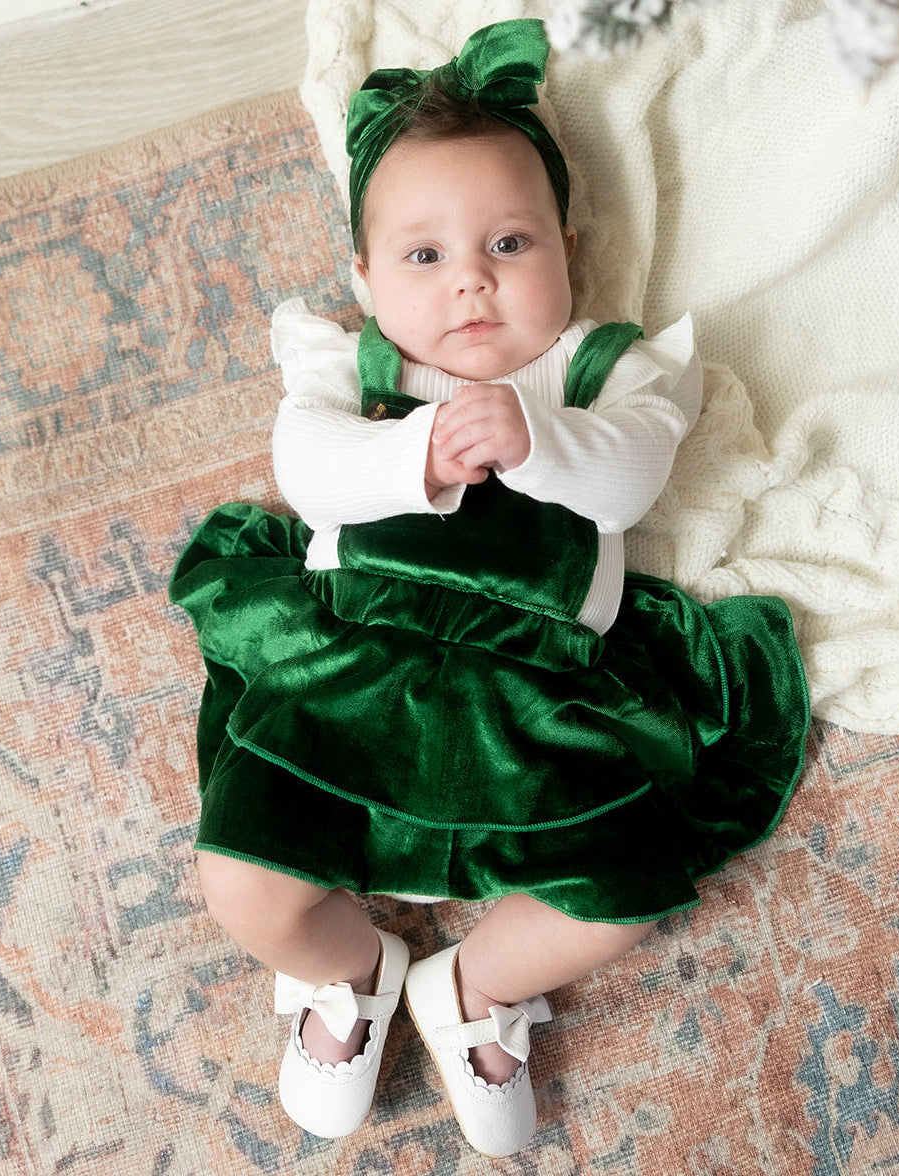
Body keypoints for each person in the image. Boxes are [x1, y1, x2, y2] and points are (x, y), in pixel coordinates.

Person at [169, 18, 810, 1159]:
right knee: (241, 882)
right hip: (352, 673)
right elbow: (303, 469)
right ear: (364, 279)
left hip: (542, 695)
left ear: (567, 250)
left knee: (620, 892)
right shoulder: (350, 369)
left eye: (509, 244)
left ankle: (472, 987)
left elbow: (627, 482)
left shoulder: (604, 369)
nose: (469, 279)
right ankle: (349, 970)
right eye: (423, 257)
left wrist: (536, 439)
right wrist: (408, 458)